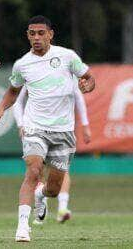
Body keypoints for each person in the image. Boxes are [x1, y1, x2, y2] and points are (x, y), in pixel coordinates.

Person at [0, 15, 95, 242]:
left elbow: (88, 77)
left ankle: (41, 194)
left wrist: (88, 84)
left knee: (54, 189)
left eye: (40, 33)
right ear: (27, 35)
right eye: (31, 33)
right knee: (34, 169)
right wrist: (0, 108)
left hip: (64, 132)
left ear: (50, 34)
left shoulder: (67, 57)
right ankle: (22, 227)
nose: (36, 37)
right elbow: (13, 91)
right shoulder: (22, 64)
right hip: (35, 127)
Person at [13, 85, 91, 224]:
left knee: (61, 171)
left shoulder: (67, 70)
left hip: (60, 130)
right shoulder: (30, 71)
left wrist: (85, 124)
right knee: (37, 169)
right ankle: (40, 208)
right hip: (36, 129)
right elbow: (17, 101)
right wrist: (21, 124)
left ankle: (53, 203)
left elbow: (78, 97)